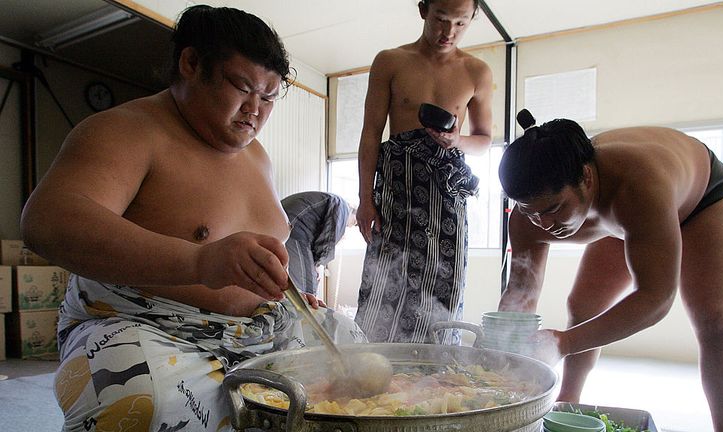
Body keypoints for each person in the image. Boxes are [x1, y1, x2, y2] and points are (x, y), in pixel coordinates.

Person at [20, 6, 365, 432]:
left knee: (358, 359)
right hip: (150, 326)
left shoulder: (258, 157)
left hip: (264, 330)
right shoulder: (127, 130)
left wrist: (286, 296)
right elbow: (48, 222)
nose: (254, 110)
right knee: (140, 398)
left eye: (270, 97)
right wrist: (201, 261)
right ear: (191, 64)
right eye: (242, 87)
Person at [498, 109, 723, 432]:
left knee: (715, 320)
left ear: (586, 178)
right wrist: (503, 349)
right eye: (532, 213)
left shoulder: (638, 187)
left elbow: (656, 299)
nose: (544, 224)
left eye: (554, 209)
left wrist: (564, 342)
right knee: (583, 306)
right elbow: (520, 294)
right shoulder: (528, 218)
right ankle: (567, 408)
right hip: (621, 220)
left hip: (698, 201)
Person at [354, 0, 493, 345]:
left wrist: (456, 139)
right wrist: (364, 199)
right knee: (385, 284)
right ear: (423, 10)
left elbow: (485, 141)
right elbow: (371, 133)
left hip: (446, 194)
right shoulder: (390, 61)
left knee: (444, 283)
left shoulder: (477, 71)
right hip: (396, 188)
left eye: (461, 24)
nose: (448, 32)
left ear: (473, 18)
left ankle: (436, 375)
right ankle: (371, 372)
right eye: (441, 19)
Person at [281, 191, 355, 298]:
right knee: (307, 288)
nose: (351, 226)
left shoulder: (330, 199)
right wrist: (316, 265)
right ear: (353, 212)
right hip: (294, 227)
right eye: (355, 222)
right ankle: (302, 314)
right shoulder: (343, 207)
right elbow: (329, 240)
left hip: (280, 223)